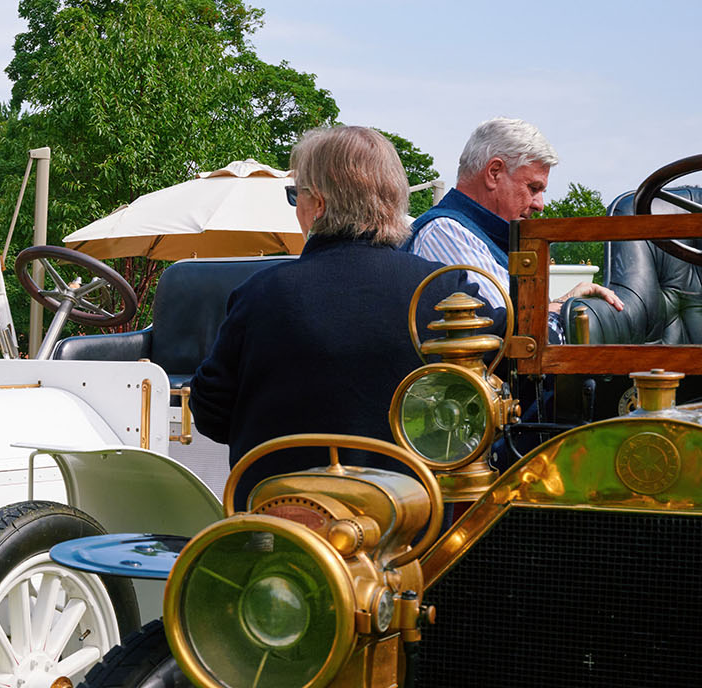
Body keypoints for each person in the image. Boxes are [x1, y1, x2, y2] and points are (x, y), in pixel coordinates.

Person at [191, 126, 478, 508]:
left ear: (319, 205)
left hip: (280, 526)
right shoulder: (446, 290)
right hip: (410, 534)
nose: (296, 208)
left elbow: (210, 413)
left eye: (296, 195)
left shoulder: (260, 293)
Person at [407, 117, 623, 331]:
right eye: (533, 188)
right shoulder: (445, 233)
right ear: (494, 173)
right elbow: (511, 332)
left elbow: (513, 320)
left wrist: (564, 300)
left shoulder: (471, 234)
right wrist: (563, 308)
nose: (540, 204)